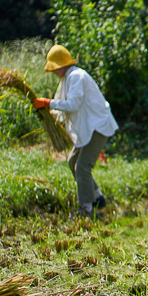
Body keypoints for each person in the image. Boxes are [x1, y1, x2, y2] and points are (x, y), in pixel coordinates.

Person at [32, 45, 119, 218]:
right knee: (73, 162)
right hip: (90, 127)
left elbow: (72, 105)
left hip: (97, 126)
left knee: (82, 166)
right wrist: (50, 112)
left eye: (55, 67)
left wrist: (47, 103)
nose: (54, 71)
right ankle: (97, 197)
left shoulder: (77, 77)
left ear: (62, 64)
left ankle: (86, 208)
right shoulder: (68, 79)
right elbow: (63, 104)